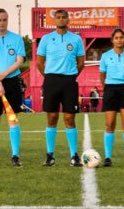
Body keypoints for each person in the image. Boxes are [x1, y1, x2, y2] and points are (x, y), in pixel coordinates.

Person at [36, 9, 87, 167]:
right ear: (54, 21)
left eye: (64, 17)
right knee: (52, 118)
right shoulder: (46, 39)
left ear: (68, 20)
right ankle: (50, 155)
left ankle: (74, 155)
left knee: (69, 118)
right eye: (58, 17)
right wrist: (49, 77)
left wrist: (71, 76)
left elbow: (81, 63)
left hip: (69, 81)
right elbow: (39, 62)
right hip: (51, 80)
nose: (61, 19)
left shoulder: (76, 39)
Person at [0, 8, 26, 167]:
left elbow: (19, 60)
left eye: (4, 19)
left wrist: (4, 75)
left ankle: (15, 156)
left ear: (7, 20)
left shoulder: (17, 39)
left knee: (13, 119)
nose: (2, 22)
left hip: (12, 81)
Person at [99, 28, 124, 167]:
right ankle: (108, 157)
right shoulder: (105, 56)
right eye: (116, 38)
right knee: (110, 125)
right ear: (112, 40)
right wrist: (108, 86)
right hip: (110, 89)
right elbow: (102, 75)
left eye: (121, 37)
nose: (119, 40)